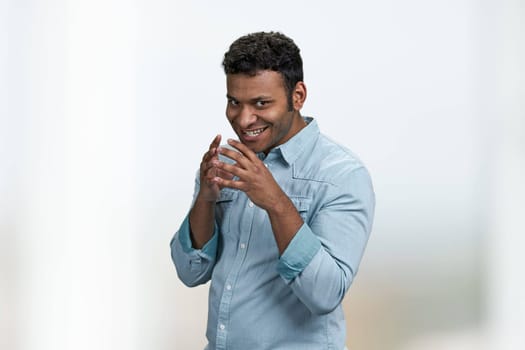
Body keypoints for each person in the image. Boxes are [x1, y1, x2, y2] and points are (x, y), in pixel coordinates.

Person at [170, 31, 375, 350]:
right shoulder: (225, 164)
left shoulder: (342, 176)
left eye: (261, 103)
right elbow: (190, 272)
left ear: (298, 95)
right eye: (234, 102)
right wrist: (206, 199)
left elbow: (325, 294)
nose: (243, 118)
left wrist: (276, 202)